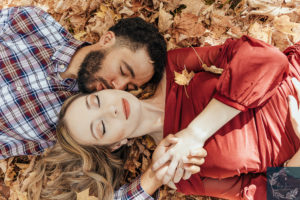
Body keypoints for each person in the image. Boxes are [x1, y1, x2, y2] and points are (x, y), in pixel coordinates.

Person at [32, 35, 300, 200]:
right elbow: (273, 193)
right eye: (101, 126)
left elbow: (266, 58)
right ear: (115, 144)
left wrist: (196, 133)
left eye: (97, 101)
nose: (110, 110)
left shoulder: (171, 69)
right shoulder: (179, 173)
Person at [0, 6, 167, 159]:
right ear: (107, 39)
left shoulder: (83, 128)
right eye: (123, 71)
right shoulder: (31, 23)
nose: (119, 87)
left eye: (129, 88)